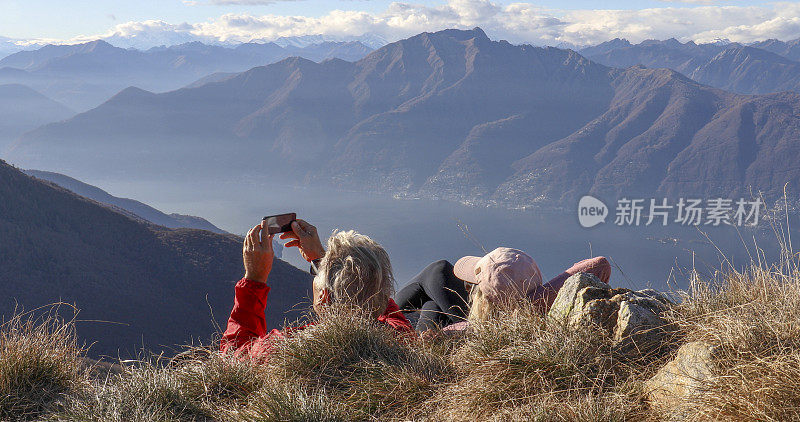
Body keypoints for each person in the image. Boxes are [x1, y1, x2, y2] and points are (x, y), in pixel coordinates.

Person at [220, 219, 413, 359]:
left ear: (324, 297)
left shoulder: (289, 348)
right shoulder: (399, 333)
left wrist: (254, 279)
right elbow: (373, 292)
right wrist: (319, 259)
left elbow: (233, 354)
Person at [394, 247, 610, 331]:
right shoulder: (539, 303)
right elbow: (599, 264)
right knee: (437, 274)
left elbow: (431, 340)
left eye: (474, 285)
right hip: (523, 303)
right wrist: (538, 296)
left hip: (431, 326)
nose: (469, 286)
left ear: (482, 297)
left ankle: (381, 312)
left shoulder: (461, 332)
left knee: (437, 271)